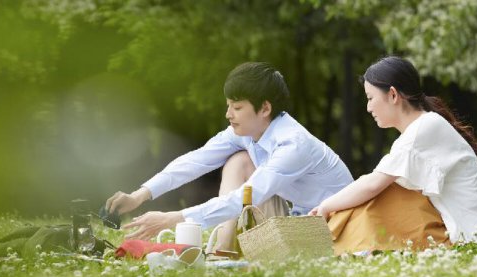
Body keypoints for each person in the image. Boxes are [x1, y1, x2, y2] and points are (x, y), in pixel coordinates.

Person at [106, 62, 353, 251]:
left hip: (333, 229)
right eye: (228, 106)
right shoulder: (247, 132)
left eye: (237, 107)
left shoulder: (293, 145)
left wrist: (173, 218)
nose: (228, 114)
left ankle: (221, 253)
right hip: (300, 218)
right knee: (240, 161)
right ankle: (222, 250)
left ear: (265, 108)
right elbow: (196, 160)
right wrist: (139, 195)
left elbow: (245, 197)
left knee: (246, 176)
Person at [310, 56, 477, 254]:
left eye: (370, 98)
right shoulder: (424, 127)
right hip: (465, 234)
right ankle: (341, 243)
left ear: (392, 95)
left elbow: (373, 184)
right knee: (384, 190)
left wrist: (326, 207)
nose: (368, 107)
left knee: (382, 192)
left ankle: (336, 243)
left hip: (466, 240)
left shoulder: (424, 128)